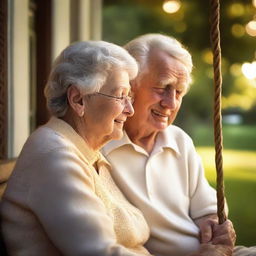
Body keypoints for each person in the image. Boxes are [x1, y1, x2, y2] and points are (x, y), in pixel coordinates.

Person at [102, 34, 255, 256]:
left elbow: (207, 210)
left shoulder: (179, 140)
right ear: (129, 87)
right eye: (162, 87)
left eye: (179, 92)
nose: (171, 103)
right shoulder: (100, 145)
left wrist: (213, 225)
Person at [0, 40, 153, 256]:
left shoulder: (85, 152)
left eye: (129, 97)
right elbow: (98, 252)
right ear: (78, 99)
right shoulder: (55, 158)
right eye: (120, 96)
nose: (130, 110)